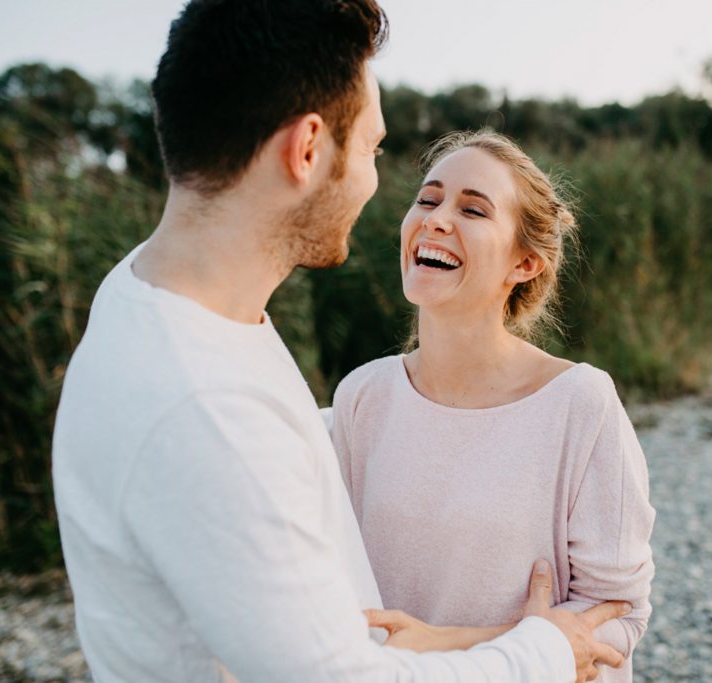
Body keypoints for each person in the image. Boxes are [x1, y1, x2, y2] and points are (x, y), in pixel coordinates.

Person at [51, 1, 629, 681]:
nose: (376, 181)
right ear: (307, 150)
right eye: (372, 150)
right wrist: (543, 648)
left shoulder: (149, 298)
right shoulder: (205, 406)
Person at [330, 131, 657, 682]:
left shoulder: (581, 404)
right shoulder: (362, 396)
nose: (435, 219)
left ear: (524, 263)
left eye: (473, 209)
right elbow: (328, 577)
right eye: (428, 200)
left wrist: (455, 644)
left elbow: (617, 616)